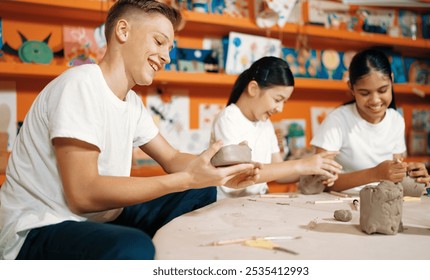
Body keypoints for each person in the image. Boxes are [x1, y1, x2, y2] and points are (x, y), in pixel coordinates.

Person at [0, 0, 260, 260]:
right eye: (159, 42)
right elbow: (83, 195)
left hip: (100, 218)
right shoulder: (81, 84)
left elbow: (171, 159)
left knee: (200, 192)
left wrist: (220, 169)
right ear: (123, 31)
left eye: (170, 48)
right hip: (39, 227)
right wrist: (185, 179)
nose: (167, 57)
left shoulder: (132, 102)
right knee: (133, 246)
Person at [210, 56, 342, 198]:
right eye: (277, 100)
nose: (280, 108)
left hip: (254, 204)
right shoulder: (228, 119)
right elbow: (238, 175)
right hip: (228, 207)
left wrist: (314, 169)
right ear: (253, 88)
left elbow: (279, 172)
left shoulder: (265, 123)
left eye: (284, 102)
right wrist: (301, 164)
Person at [310, 48, 430, 193]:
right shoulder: (337, 121)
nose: (375, 100)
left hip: (384, 201)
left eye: (382, 90)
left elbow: (395, 173)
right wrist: (375, 174)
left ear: (392, 81)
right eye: (364, 93)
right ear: (351, 88)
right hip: (341, 203)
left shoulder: (396, 120)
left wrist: (413, 174)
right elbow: (320, 181)